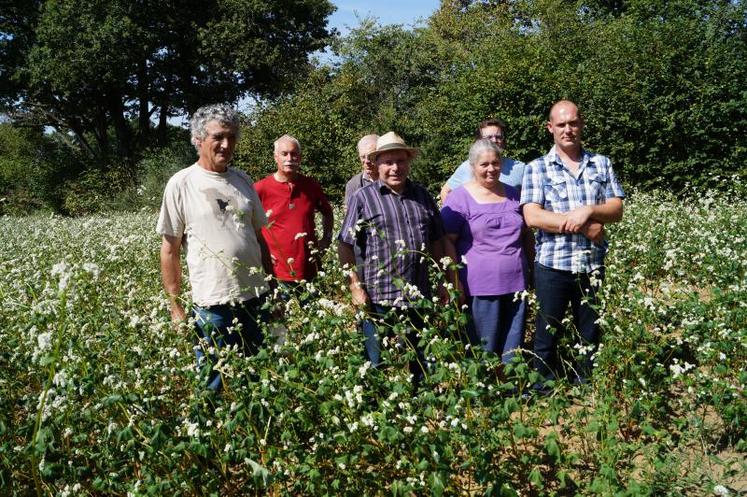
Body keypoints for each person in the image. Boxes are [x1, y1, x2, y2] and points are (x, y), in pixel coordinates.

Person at [157, 103, 273, 391]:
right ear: (198, 140)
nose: (226, 144)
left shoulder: (243, 180)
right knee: (212, 379)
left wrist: (273, 289)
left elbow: (259, 239)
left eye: (232, 137)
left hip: (255, 297)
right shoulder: (182, 183)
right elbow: (169, 249)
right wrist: (175, 306)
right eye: (218, 137)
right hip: (213, 303)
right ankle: (208, 428)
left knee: (257, 374)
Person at [338, 131, 460, 386]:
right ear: (377, 164)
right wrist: (354, 285)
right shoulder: (363, 198)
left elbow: (438, 241)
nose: (395, 168)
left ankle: (423, 404)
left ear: (408, 162)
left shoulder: (423, 195)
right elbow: (345, 244)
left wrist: (446, 280)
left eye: (400, 161)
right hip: (378, 297)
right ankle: (376, 412)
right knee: (376, 360)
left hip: (418, 295)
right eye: (388, 162)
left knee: (422, 359)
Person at [520, 100, 625, 387]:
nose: (568, 129)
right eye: (562, 124)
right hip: (552, 264)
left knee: (590, 330)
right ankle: (542, 387)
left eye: (573, 123)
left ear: (582, 124)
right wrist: (583, 224)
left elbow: (616, 209)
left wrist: (589, 211)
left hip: (592, 264)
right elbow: (532, 216)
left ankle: (586, 386)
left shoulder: (601, 163)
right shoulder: (537, 168)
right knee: (547, 331)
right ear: (550, 128)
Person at [441, 139, 534, 364]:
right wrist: (454, 280)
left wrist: (533, 269)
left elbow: (526, 235)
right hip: (479, 286)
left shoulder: (514, 195)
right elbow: (446, 241)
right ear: (472, 167)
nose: (491, 169)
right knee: (483, 346)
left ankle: (511, 389)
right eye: (484, 164)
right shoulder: (459, 198)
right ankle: (485, 393)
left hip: (516, 282)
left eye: (495, 163)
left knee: (513, 345)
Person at [255, 135, 334, 287]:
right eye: (284, 154)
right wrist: (260, 253)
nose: (289, 158)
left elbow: (327, 213)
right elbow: (247, 224)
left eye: (294, 154)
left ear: (300, 157)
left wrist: (326, 239)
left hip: (311, 269)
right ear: (275, 157)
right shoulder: (260, 188)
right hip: (276, 274)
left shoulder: (311, 186)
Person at [440, 118, 525, 205]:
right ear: (479, 141)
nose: (494, 140)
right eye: (489, 137)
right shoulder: (468, 166)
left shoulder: (520, 169)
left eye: (498, 137)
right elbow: (446, 191)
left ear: (503, 141)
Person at [343, 134, 379, 210]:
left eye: (370, 157)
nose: (366, 161)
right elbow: (350, 216)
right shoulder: (353, 184)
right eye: (363, 157)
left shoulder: (393, 180)